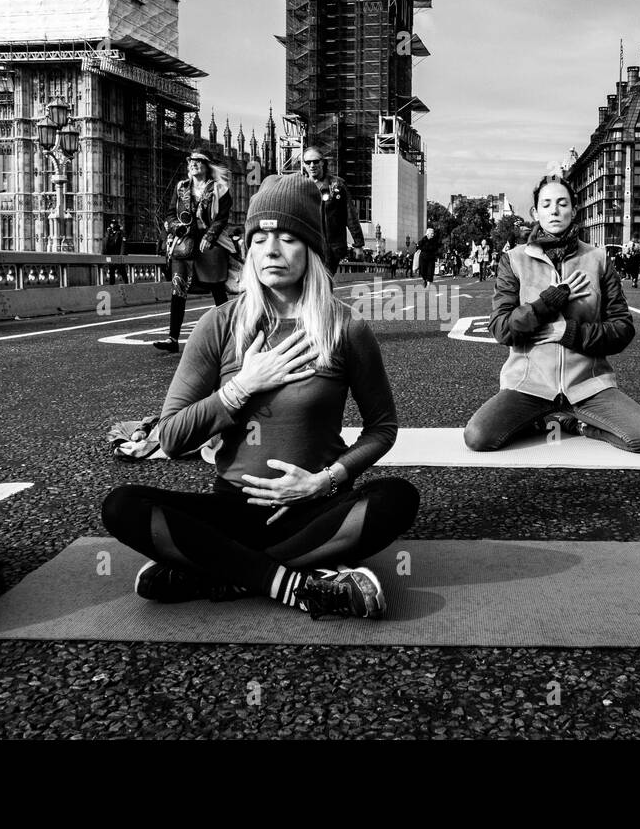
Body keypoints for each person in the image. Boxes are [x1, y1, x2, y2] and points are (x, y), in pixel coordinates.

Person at [102, 173, 419, 619]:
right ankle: (295, 585)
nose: (271, 249)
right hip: (232, 507)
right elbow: (172, 438)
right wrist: (240, 387)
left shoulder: (345, 327)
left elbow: (382, 428)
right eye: (259, 238)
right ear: (248, 250)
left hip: (312, 507)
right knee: (122, 506)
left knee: (397, 499)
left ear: (310, 249)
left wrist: (323, 480)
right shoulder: (219, 325)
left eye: (288, 237)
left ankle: (214, 568)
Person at [463, 176, 640, 454]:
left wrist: (570, 333)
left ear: (574, 210)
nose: (554, 210)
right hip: (529, 385)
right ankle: (544, 417)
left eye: (562, 203)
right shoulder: (514, 259)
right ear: (536, 212)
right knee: (478, 437)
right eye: (546, 204)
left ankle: (574, 423)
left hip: (589, 386)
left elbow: (622, 329)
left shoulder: (598, 259)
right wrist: (549, 301)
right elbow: (502, 329)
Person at [154, 150, 232, 354]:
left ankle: (231, 334)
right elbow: (171, 213)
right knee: (178, 289)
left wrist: (209, 236)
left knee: (217, 289)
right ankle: (173, 339)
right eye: (191, 161)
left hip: (208, 244)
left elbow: (222, 217)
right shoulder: (181, 187)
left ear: (207, 166)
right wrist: (175, 226)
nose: (193, 164)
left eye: (198, 161)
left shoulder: (220, 189)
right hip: (184, 244)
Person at [300, 147, 364, 275]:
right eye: (308, 162)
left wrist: (358, 244)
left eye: (316, 161)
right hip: (306, 245)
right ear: (303, 165)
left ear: (322, 162)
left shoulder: (337, 185)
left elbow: (350, 215)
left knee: (324, 283)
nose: (312, 165)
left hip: (330, 248)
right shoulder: (299, 186)